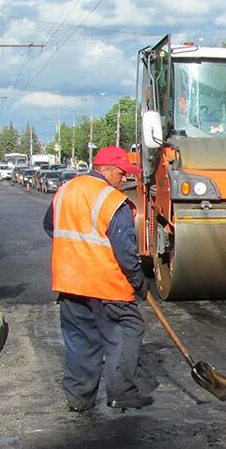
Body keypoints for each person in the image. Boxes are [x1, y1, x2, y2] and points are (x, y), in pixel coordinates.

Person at [44, 146, 157, 412]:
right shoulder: (112, 200)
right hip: (106, 285)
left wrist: (79, 250)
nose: (124, 179)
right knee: (127, 330)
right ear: (105, 170)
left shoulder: (65, 190)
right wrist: (139, 280)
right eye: (121, 173)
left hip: (70, 282)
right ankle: (121, 392)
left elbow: (51, 226)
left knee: (81, 340)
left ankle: (80, 398)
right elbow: (125, 251)